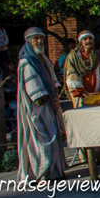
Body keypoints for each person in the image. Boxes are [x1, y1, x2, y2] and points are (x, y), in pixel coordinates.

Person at [17, 27, 66, 181]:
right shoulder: (26, 62)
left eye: (41, 38)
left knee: (53, 136)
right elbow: (34, 89)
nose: (39, 41)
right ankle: (42, 173)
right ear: (28, 41)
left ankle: (55, 172)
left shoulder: (43, 58)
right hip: (37, 108)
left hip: (50, 105)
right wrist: (49, 100)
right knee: (42, 139)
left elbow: (53, 79)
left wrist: (56, 97)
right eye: (35, 38)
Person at [64, 30, 100, 161]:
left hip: (96, 94)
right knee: (83, 126)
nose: (88, 41)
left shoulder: (98, 55)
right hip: (80, 95)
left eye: (90, 38)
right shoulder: (73, 56)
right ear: (80, 42)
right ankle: (85, 156)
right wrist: (84, 92)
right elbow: (71, 75)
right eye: (85, 39)